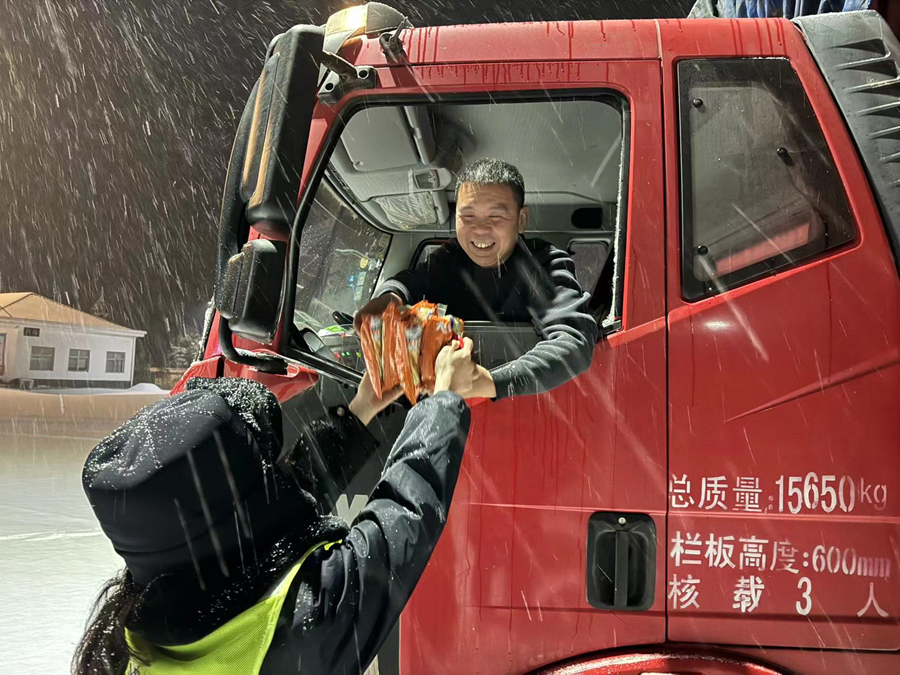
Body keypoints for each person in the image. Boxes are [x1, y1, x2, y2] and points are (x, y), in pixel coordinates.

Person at [74, 338, 477, 675]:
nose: (275, 466)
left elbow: (277, 504)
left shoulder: (136, 627)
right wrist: (443, 399)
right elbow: (404, 515)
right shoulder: (298, 626)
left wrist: (361, 409)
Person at [355, 158, 598, 401]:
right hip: (447, 403)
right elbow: (411, 281)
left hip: (524, 406)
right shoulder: (450, 258)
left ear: (521, 220)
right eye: (468, 216)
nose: (480, 229)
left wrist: (485, 383)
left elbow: (573, 342)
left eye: (496, 216)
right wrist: (390, 297)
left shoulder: (544, 264)